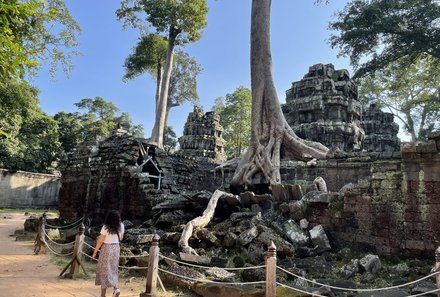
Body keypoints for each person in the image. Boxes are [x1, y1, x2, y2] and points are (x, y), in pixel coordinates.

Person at [92, 210, 125, 297]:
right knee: (113, 269)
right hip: (116, 248)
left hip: (106, 248)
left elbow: (100, 241)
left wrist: (95, 252)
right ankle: (116, 288)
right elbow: (121, 238)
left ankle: (103, 295)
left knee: (104, 271)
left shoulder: (105, 227)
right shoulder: (121, 226)